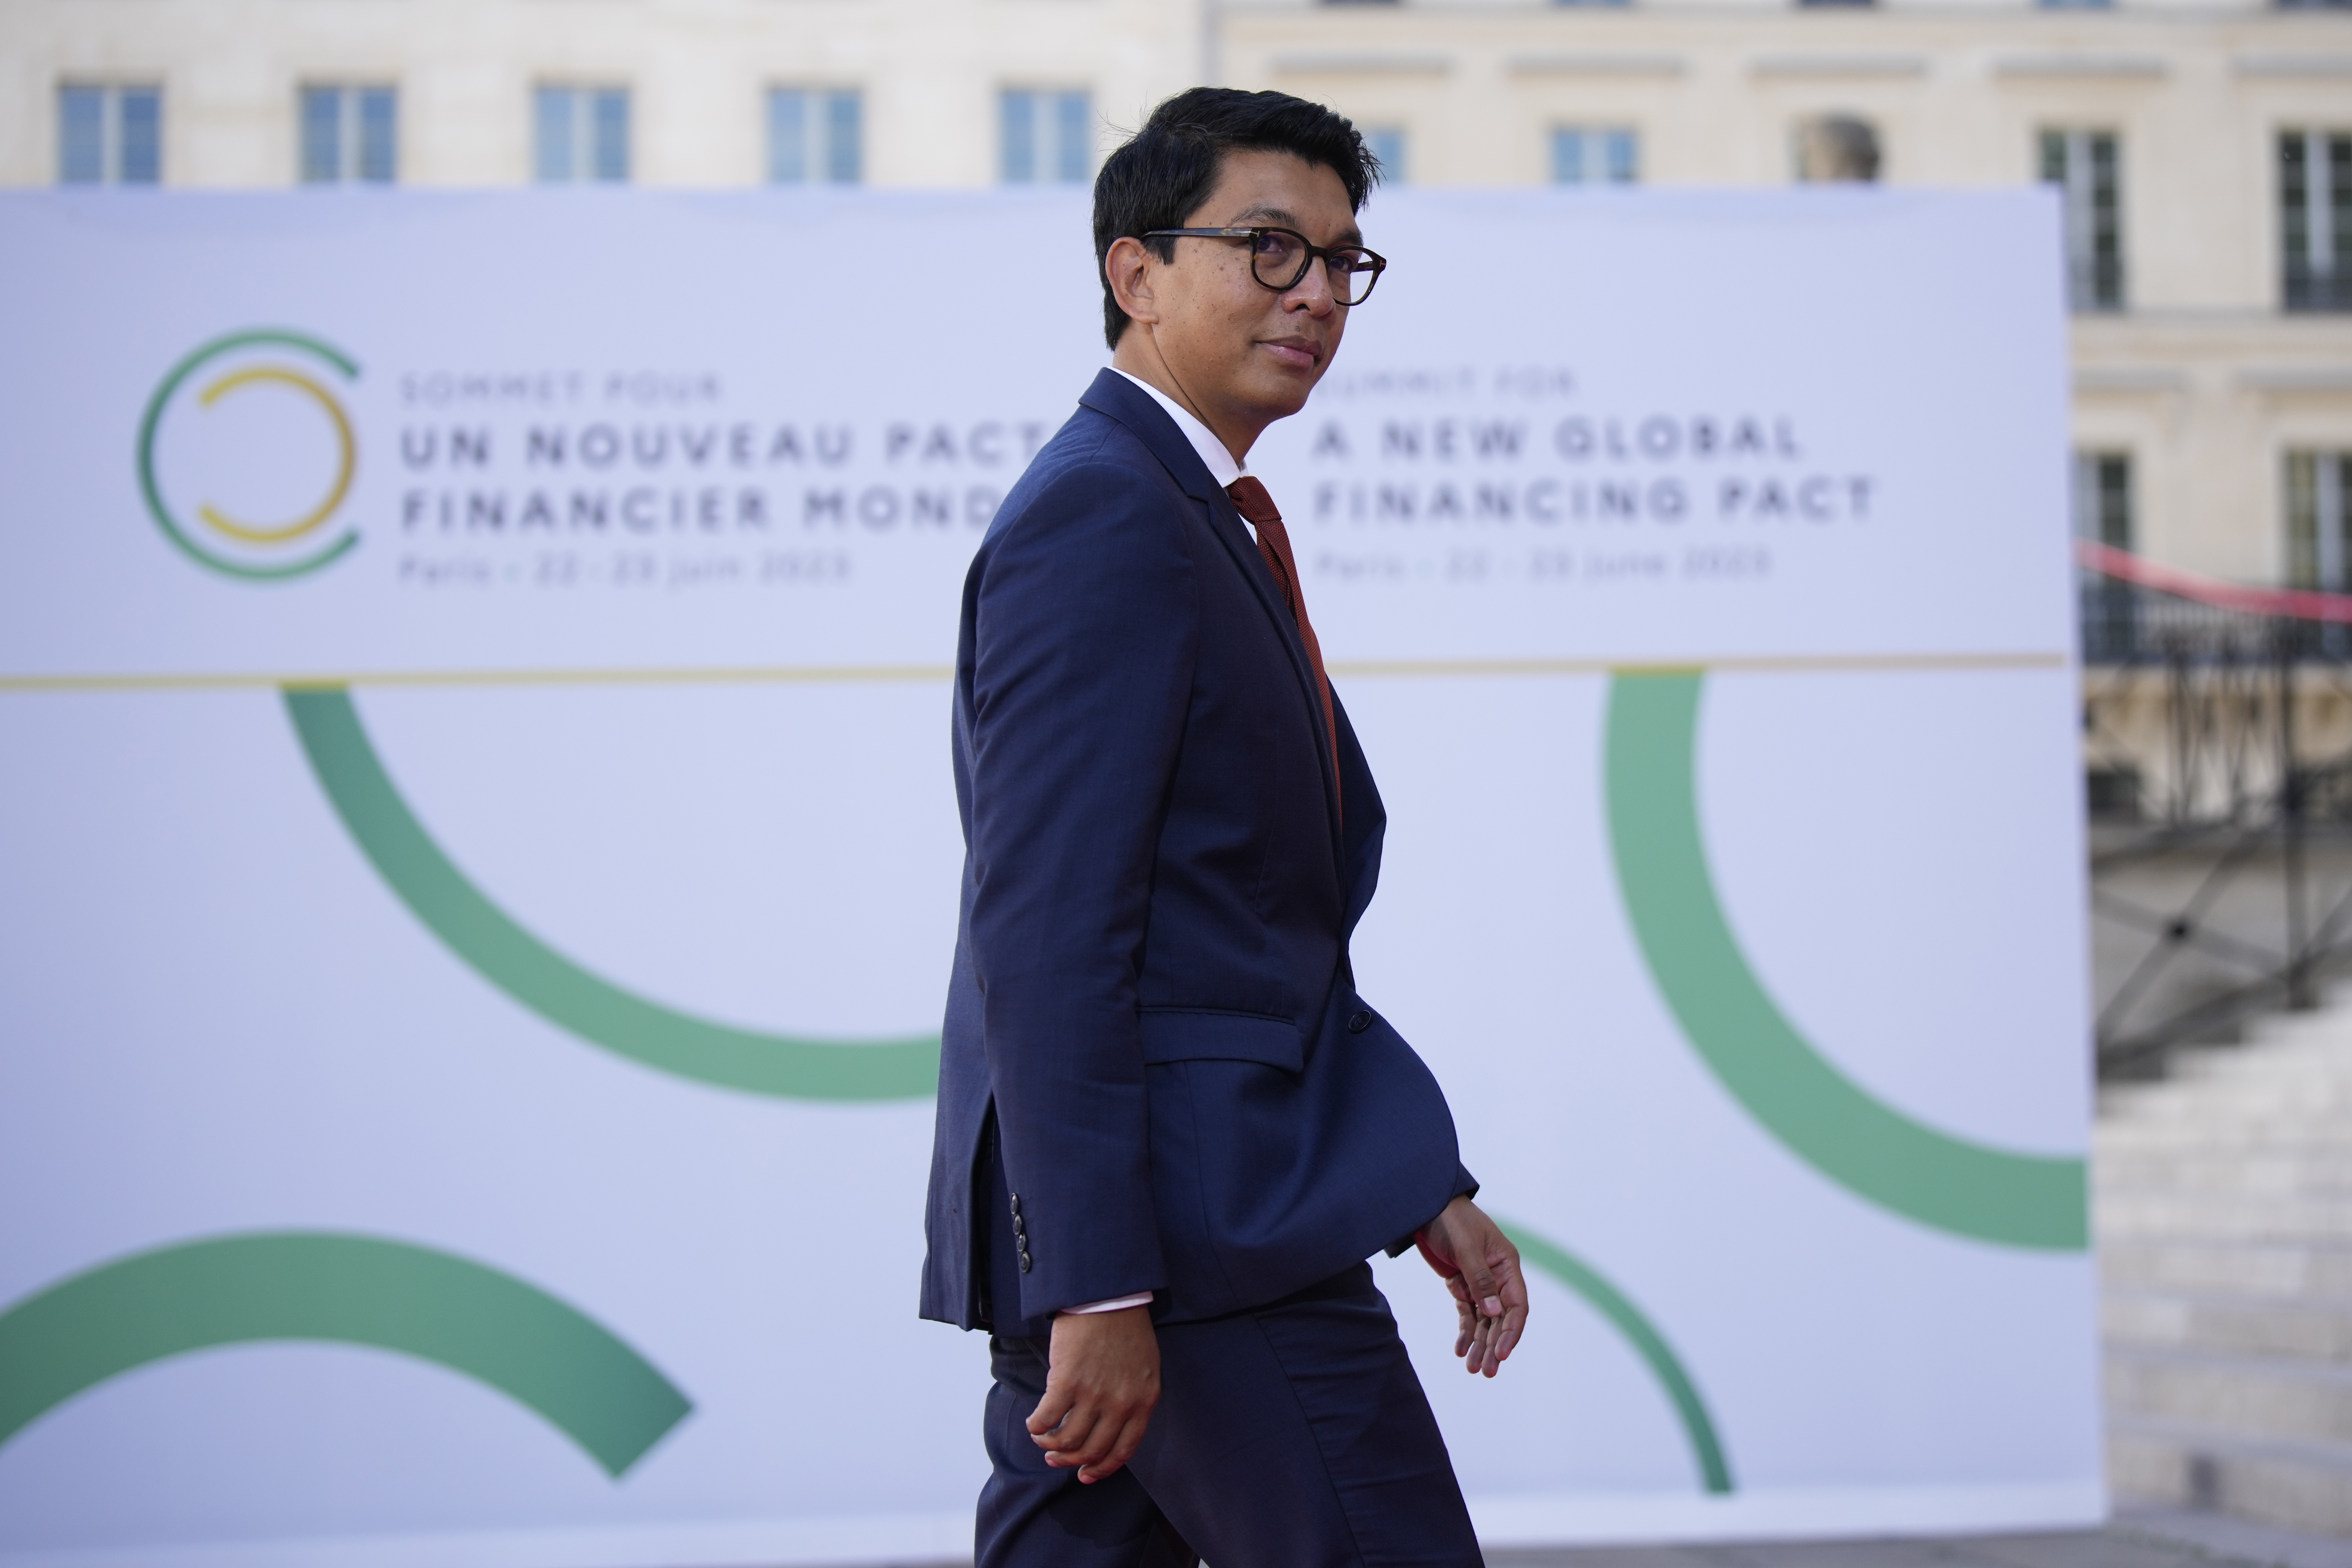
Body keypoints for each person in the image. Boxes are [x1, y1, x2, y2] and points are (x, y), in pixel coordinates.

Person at [919, 86, 1529, 1568]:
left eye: (1339, 259)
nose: (1316, 292)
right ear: (1135, 272)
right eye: (1269, 247)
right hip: (1193, 1254)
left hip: (1163, 1226)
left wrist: (1420, 1183)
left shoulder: (1181, 509)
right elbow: (1050, 932)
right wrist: (1105, 1287)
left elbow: (1237, 927)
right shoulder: (1111, 515)